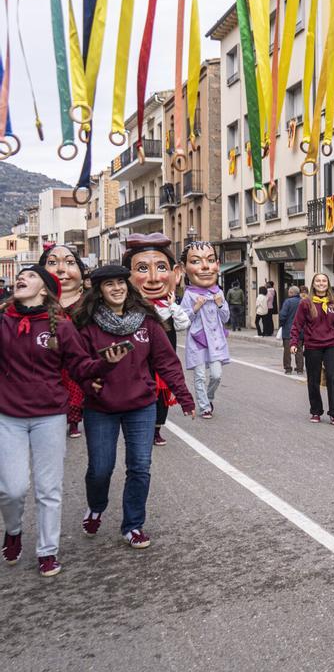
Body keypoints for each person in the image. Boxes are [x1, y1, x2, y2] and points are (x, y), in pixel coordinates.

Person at [0, 267, 126, 577]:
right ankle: (13, 530)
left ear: (45, 289)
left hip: (49, 416)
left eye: (30, 276)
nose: (22, 278)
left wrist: (105, 364)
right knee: (12, 489)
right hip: (8, 416)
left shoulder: (61, 328)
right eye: (21, 276)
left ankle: (47, 551)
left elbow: (81, 366)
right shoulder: (2, 322)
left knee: (48, 488)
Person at [72, 265, 195, 549]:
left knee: (140, 466)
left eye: (121, 283)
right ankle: (96, 506)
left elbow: (166, 362)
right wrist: (91, 383)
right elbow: (77, 366)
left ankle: (133, 525)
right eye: (109, 284)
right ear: (99, 291)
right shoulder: (87, 326)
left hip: (141, 404)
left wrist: (184, 397)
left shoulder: (147, 322)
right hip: (101, 408)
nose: (117, 288)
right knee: (101, 469)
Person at [122, 233, 190, 448]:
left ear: (175, 274)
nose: (153, 277)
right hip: (137, 363)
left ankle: (157, 429)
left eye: (161, 268)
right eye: (142, 268)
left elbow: (182, 324)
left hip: (164, 362)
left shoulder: (169, 307)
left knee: (161, 395)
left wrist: (172, 306)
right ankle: (139, 428)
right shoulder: (127, 308)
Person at [40, 243, 89, 439]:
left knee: (75, 388)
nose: (61, 269)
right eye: (52, 263)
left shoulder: (90, 301)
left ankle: (74, 421)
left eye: (69, 263)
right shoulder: (38, 301)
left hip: (77, 358)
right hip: (48, 358)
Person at [179, 242, 230, 420]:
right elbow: (183, 320)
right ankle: (204, 407)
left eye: (210, 260)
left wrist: (220, 303)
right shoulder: (189, 295)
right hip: (197, 341)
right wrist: (195, 307)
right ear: (185, 268)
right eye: (196, 261)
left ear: (217, 264)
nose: (206, 267)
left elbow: (226, 318)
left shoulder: (219, 292)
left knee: (216, 375)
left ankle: (208, 398)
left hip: (215, 341)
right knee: (200, 376)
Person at [290, 272, 334, 425]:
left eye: (324, 281)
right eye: (318, 281)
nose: (321, 283)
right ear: (313, 284)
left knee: (332, 378)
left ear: (327, 284)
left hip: (331, 345)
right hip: (313, 345)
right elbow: (297, 324)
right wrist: (294, 342)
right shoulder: (305, 303)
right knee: (314, 380)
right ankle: (316, 411)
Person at [279, 286, 304, 374]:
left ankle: (288, 368)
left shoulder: (288, 302)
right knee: (299, 349)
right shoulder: (303, 301)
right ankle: (300, 369)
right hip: (300, 330)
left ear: (291, 293)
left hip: (288, 330)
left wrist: (281, 324)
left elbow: (283, 315)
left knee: (287, 350)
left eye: (289, 292)